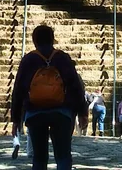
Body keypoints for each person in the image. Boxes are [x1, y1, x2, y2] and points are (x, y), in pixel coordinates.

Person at [10, 23, 88, 170]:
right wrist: (82, 112)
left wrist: (15, 119)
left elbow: (18, 90)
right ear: (53, 39)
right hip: (62, 111)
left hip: (35, 112)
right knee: (63, 155)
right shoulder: (63, 58)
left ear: (34, 40)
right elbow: (75, 86)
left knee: (39, 157)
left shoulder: (28, 59)